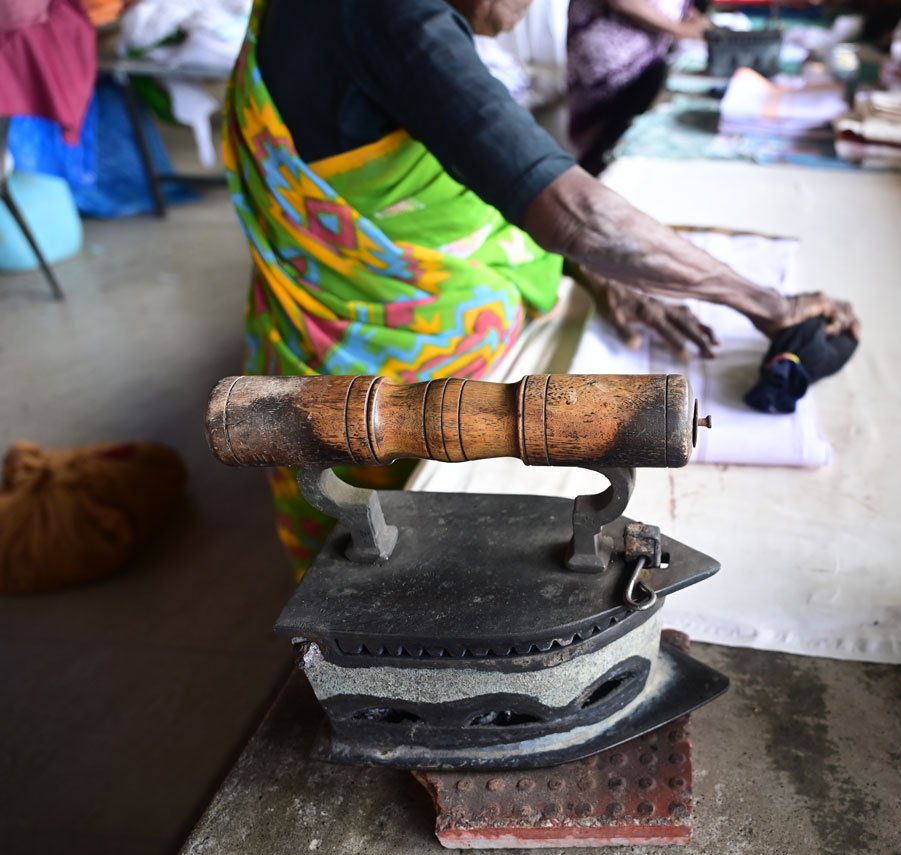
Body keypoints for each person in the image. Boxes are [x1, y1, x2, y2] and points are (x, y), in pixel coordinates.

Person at [227, 0, 859, 572]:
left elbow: (474, 177)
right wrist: (767, 305)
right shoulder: (389, 17)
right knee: (414, 559)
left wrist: (594, 270)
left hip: (332, 313)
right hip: (399, 370)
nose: (530, 13)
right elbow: (577, 215)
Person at [567, 0, 708, 174]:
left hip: (648, 56)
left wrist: (689, 16)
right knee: (606, 142)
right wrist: (679, 29)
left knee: (624, 135)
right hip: (613, 56)